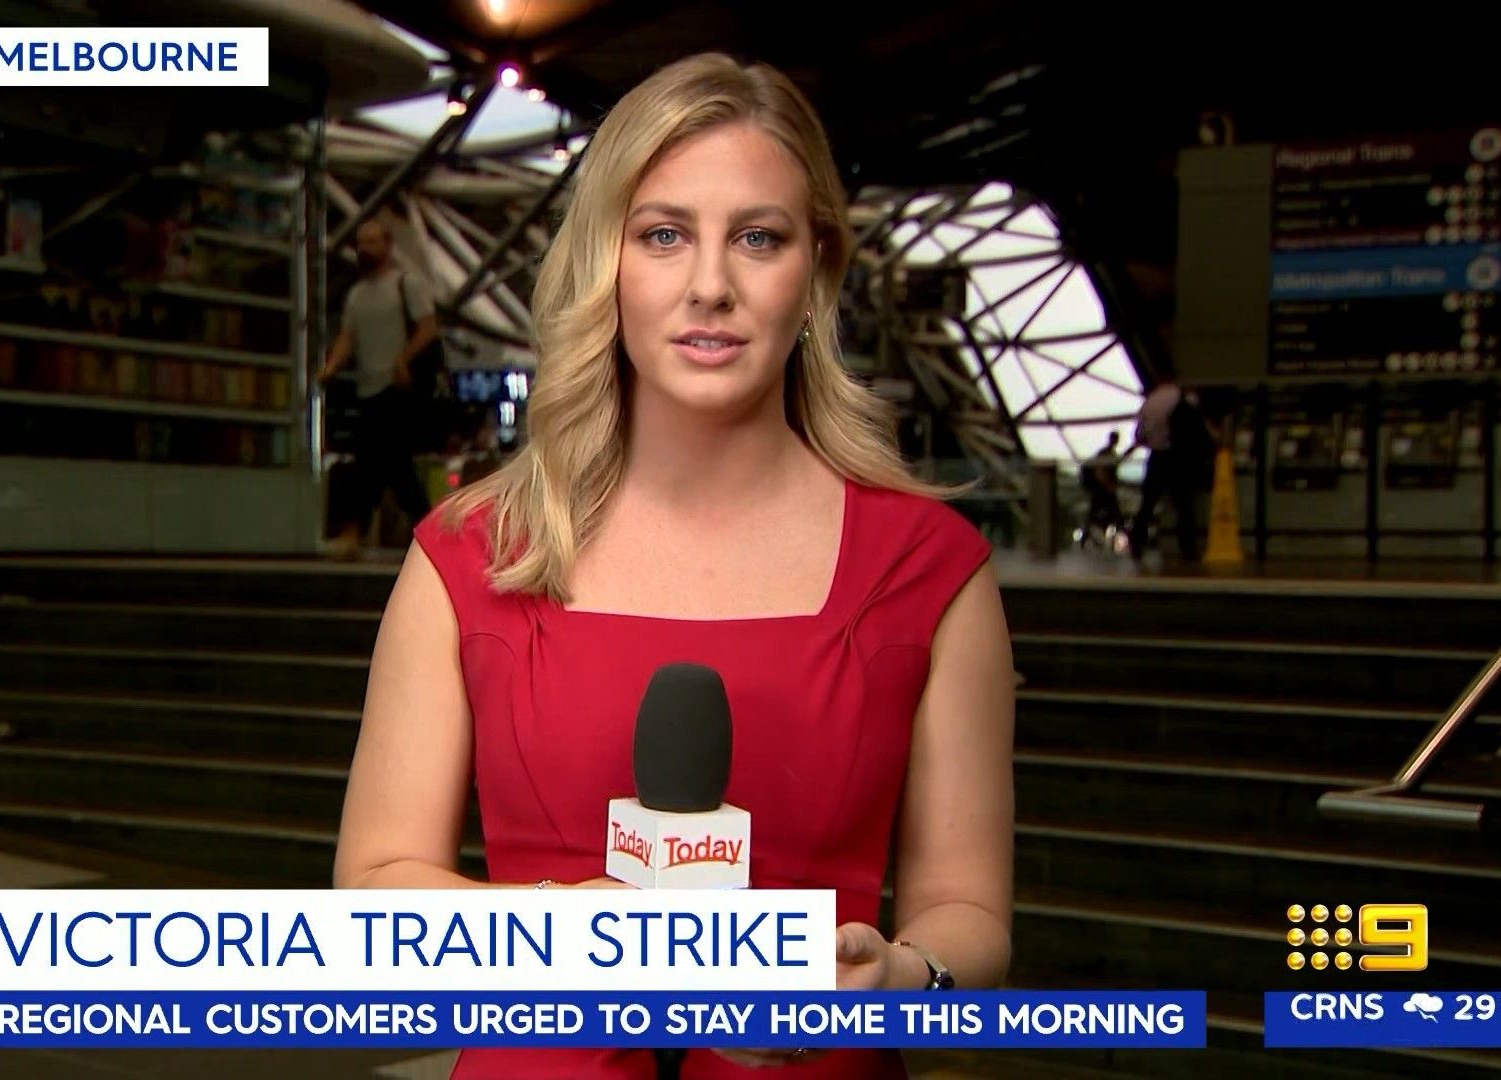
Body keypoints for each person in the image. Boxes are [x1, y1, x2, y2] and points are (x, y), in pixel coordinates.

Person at [333, 53, 1015, 1079]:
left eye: (758, 237)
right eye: (663, 234)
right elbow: (372, 897)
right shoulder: (469, 558)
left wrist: (904, 978)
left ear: (816, 270)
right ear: (607, 263)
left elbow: (968, 910)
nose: (710, 286)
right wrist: (553, 933)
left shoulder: (929, 571)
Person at [317, 218, 440, 555]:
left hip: (397, 389)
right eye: (361, 242)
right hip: (368, 388)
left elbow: (428, 327)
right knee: (392, 467)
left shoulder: (405, 284)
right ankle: (429, 534)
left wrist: (403, 358)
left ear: (387, 245)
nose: (365, 249)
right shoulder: (357, 295)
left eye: (372, 242)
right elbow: (348, 337)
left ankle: (355, 531)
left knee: (375, 462)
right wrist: (330, 367)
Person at [1127, 376, 1212, 562]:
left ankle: (1136, 544)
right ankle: (1188, 549)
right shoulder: (1181, 397)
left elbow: (1140, 435)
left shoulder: (1149, 402)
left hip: (1156, 458)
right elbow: (1194, 427)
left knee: (1147, 505)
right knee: (1184, 506)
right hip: (1177, 458)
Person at [1079, 431, 1123, 546]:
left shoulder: (1106, 452)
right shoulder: (1107, 453)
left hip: (1101, 489)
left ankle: (1084, 539)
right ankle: (1128, 540)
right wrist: (1108, 486)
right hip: (1103, 489)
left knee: (1094, 514)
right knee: (1116, 514)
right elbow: (1100, 471)